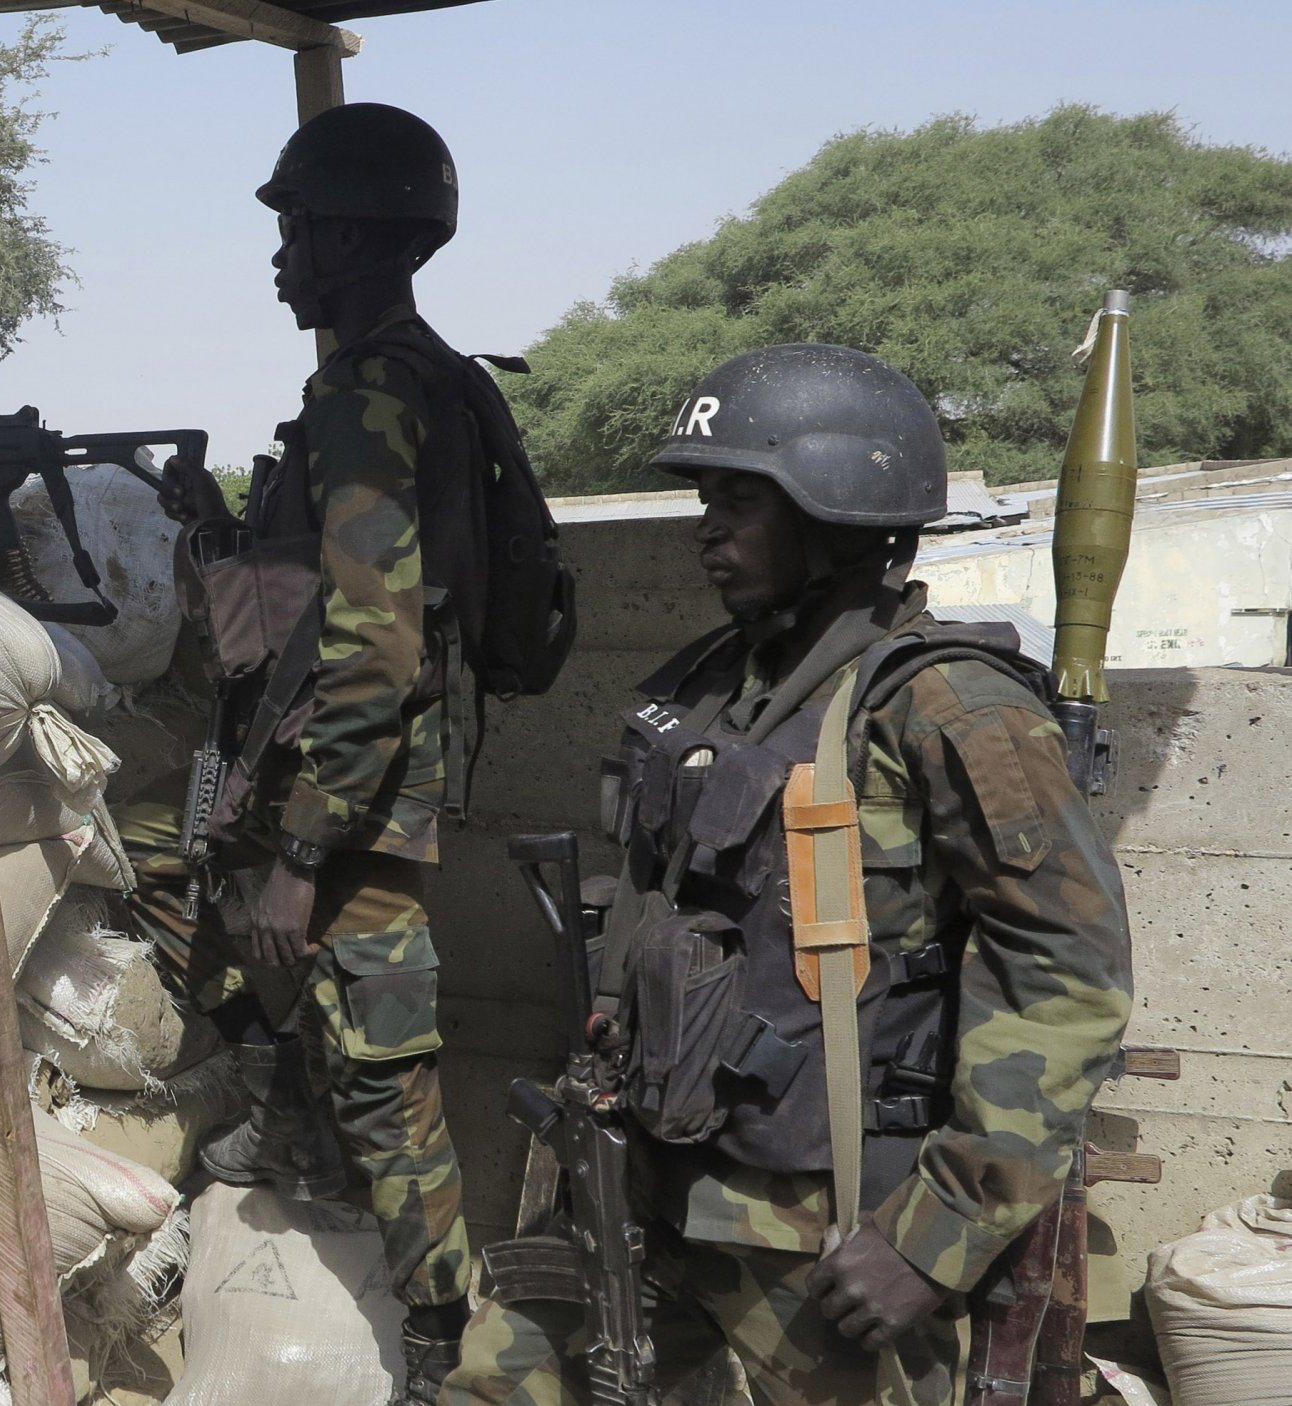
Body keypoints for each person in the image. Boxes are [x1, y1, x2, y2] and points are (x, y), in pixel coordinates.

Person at [445, 343, 1132, 1405]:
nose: (707, 528)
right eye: (706, 496)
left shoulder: (948, 706)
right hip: (637, 1175)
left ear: (839, 515)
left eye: (741, 498)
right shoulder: (710, 688)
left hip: (824, 1230)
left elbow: (1065, 978)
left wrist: (937, 1233)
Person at [146, 101, 506, 1406]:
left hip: (349, 801)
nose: (282, 247)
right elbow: (331, 601)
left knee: (381, 1079)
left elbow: (375, 645)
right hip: (347, 783)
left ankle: (435, 1348)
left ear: (362, 235)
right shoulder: (412, 381)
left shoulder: (368, 393)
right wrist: (228, 525)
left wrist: (303, 852)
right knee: (294, 1031)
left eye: (301, 223)